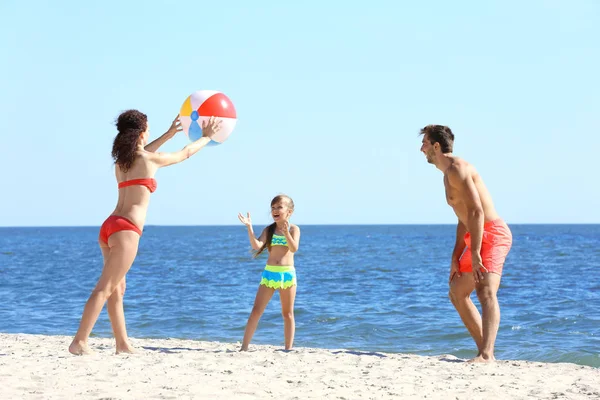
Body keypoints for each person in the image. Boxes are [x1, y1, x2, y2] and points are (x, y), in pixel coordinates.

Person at [69, 110, 221, 355]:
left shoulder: (122, 162)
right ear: (141, 133)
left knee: (116, 289)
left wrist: (169, 134)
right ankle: (80, 341)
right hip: (126, 230)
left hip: (110, 225)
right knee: (104, 288)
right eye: (147, 129)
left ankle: (122, 344)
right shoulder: (149, 160)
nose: (149, 133)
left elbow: (143, 150)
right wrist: (206, 137)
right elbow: (185, 154)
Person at [419, 124, 512, 363]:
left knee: (486, 290)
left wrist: (476, 252)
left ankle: (486, 354)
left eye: (425, 143)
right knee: (457, 291)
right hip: (475, 234)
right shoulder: (446, 176)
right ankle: (485, 351)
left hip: (491, 233)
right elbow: (464, 218)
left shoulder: (458, 169)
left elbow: (477, 212)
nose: (422, 149)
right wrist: (455, 257)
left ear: (436, 146)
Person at [237, 194, 300, 351]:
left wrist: (286, 233)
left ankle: (288, 349)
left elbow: (294, 248)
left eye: (279, 207)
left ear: (289, 211)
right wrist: (249, 228)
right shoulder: (269, 229)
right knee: (256, 311)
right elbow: (257, 245)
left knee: (288, 314)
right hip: (269, 274)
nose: (275, 210)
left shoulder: (294, 229)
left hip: (287, 275)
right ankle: (244, 348)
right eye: (273, 207)